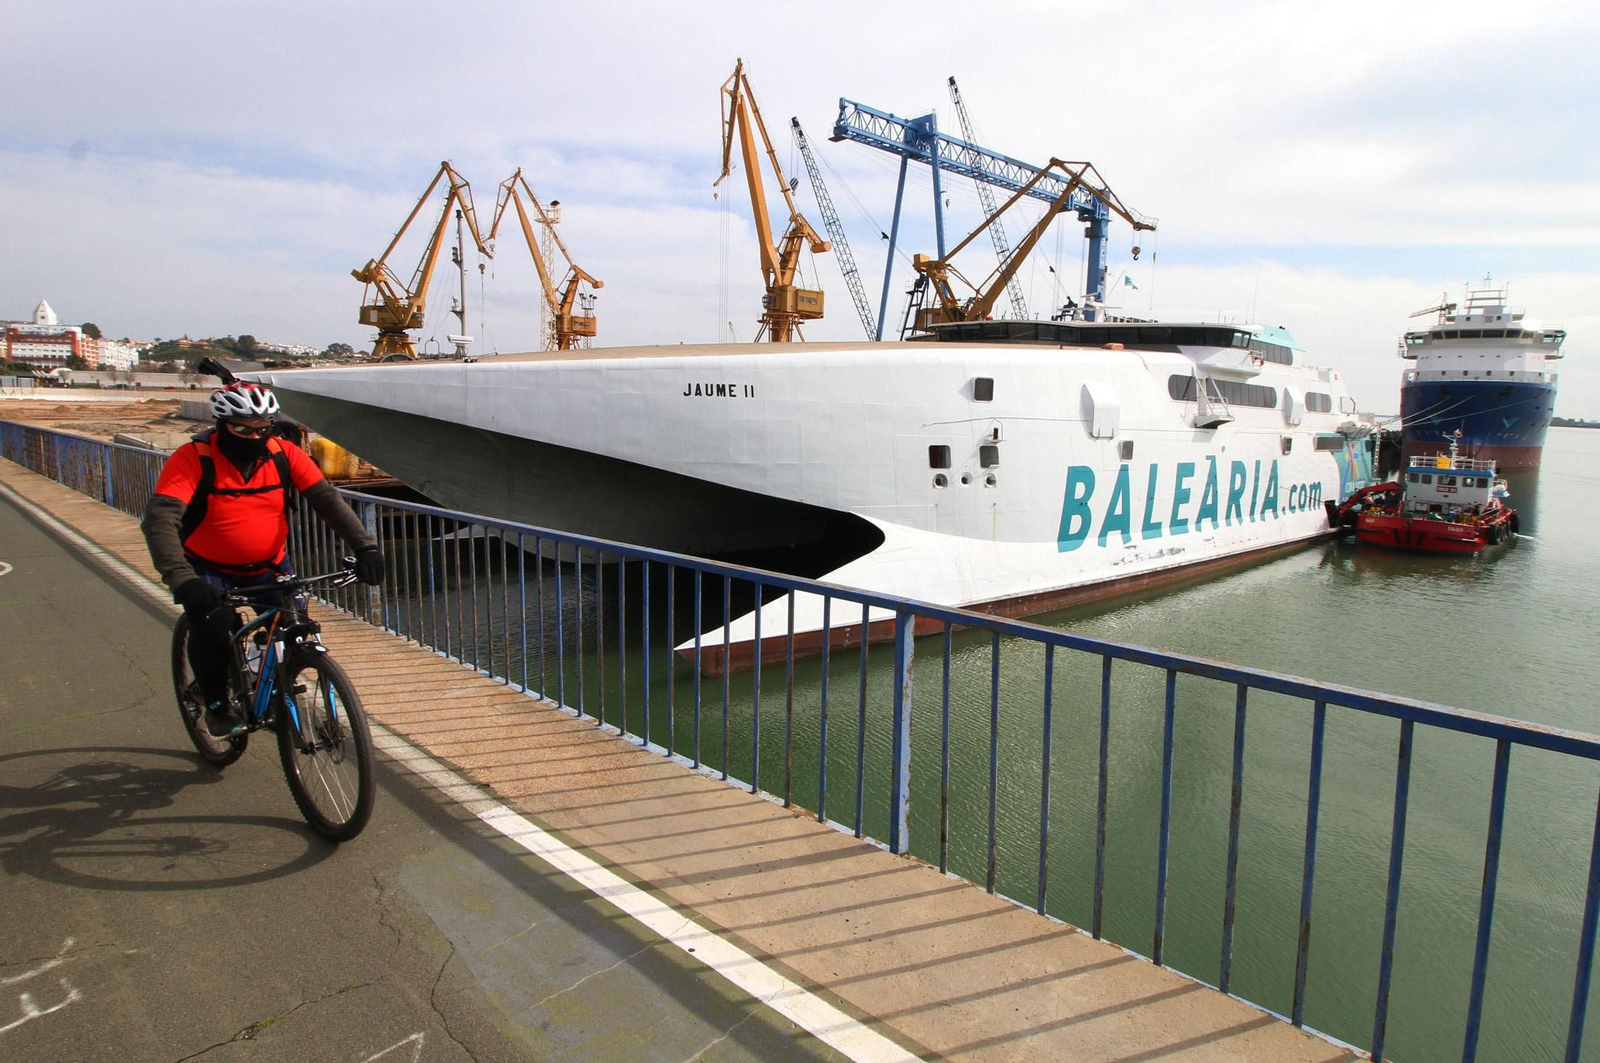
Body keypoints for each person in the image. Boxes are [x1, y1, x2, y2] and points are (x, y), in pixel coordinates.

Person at [142, 380, 384, 737]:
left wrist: (365, 547)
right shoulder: (193, 458)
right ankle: (216, 703)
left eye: (262, 428)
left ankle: (260, 676)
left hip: (269, 565)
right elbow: (160, 520)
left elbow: (328, 502)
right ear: (221, 423)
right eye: (242, 429)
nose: (254, 437)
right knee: (212, 624)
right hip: (208, 567)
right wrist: (182, 578)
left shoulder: (284, 453)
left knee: (292, 627)